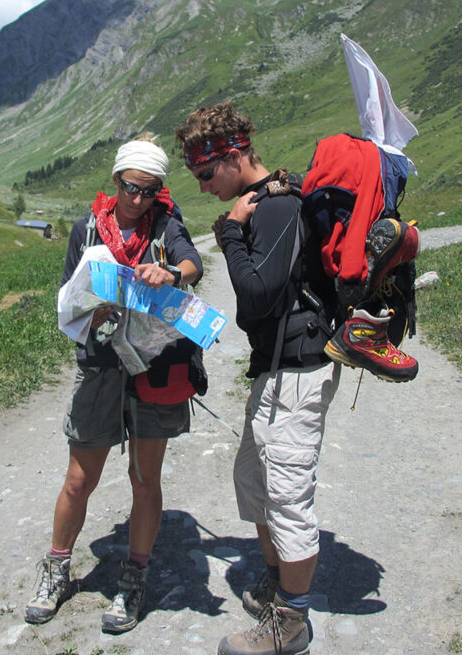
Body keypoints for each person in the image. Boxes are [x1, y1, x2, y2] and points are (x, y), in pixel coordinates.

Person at [176, 103, 339, 655]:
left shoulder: (274, 208)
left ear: (232, 155)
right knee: (254, 479)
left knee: (287, 494)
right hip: (276, 369)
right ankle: (276, 585)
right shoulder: (268, 203)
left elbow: (255, 299)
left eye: (204, 175)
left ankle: (291, 621)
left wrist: (229, 236)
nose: (202, 188)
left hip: (296, 371)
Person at [24, 135, 203, 634]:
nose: (139, 200)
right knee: (79, 479)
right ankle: (57, 570)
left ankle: (133, 577)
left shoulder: (166, 226)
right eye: (131, 188)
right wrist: (91, 308)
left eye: (149, 191)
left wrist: (169, 273)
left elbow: (194, 264)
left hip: (154, 366)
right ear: (116, 181)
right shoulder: (85, 231)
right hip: (101, 364)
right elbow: (67, 298)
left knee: (144, 479)